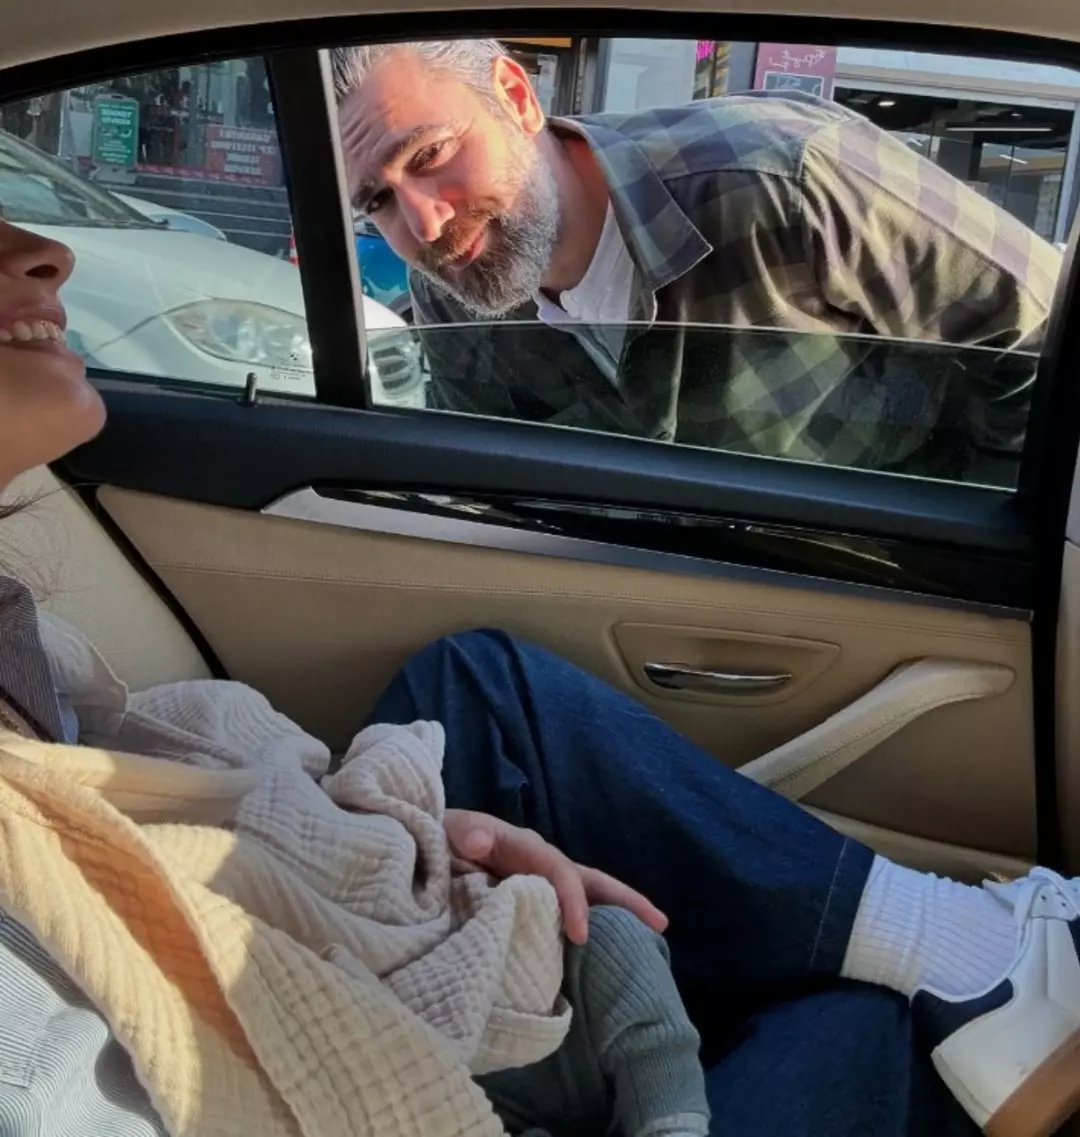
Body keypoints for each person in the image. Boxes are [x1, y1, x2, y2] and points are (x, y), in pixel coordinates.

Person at [1, 215, 1080, 1137]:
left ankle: (954, 955)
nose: (45, 250)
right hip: (357, 1049)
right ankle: (964, 968)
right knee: (867, 1029)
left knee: (482, 684)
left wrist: (387, 829)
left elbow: (115, 794)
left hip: (285, 921)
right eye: (381, 191)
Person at [333, 41, 1062, 485]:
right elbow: (498, 491)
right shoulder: (454, 292)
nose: (425, 223)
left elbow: (1046, 337)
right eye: (379, 201)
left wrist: (975, 557)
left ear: (517, 98)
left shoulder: (783, 178)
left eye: (431, 155)